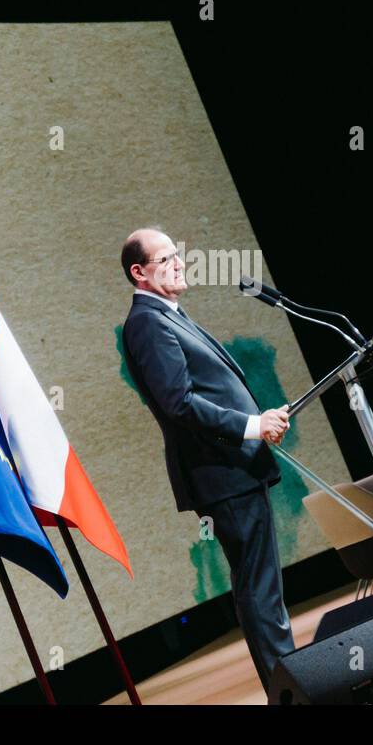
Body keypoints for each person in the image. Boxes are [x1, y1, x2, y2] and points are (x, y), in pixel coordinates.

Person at [120, 226, 294, 691]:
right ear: (139, 272)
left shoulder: (169, 314)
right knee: (258, 589)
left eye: (178, 254)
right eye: (165, 258)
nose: (179, 263)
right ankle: (292, 692)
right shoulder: (146, 323)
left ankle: (293, 687)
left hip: (236, 470)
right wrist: (252, 426)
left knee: (262, 587)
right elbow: (179, 402)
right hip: (221, 475)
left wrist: (259, 420)